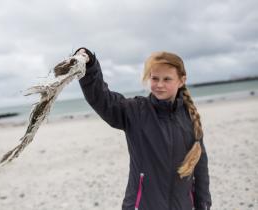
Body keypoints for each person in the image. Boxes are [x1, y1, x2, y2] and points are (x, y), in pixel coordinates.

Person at [75, 48, 212, 210]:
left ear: (182, 81)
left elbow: (200, 167)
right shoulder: (135, 111)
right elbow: (103, 99)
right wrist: (90, 67)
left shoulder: (190, 117)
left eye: (167, 79)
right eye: (155, 78)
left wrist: (203, 204)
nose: (159, 85)